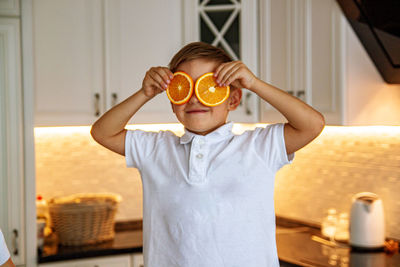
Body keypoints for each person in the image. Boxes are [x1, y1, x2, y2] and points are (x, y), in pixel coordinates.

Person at [91, 42, 325, 267]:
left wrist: (254, 83)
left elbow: (312, 124)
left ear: (233, 99)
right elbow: (102, 133)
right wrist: (145, 93)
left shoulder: (259, 146)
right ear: (173, 100)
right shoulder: (156, 148)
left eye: (209, 87)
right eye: (184, 88)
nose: (194, 97)